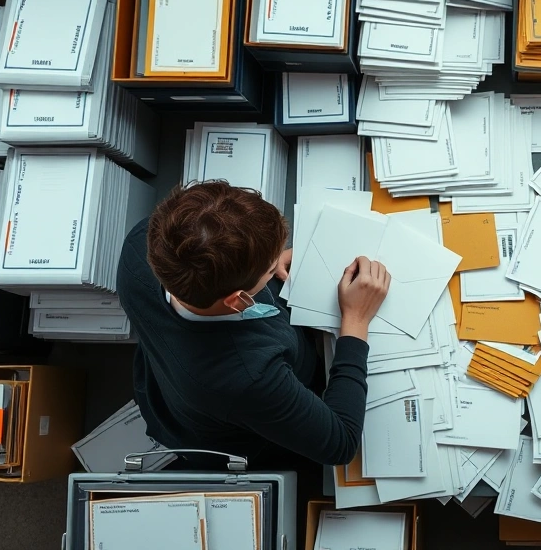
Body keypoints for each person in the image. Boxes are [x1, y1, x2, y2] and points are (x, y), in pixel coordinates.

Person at [116, 180, 390, 468]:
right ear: (238, 300)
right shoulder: (248, 376)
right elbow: (341, 445)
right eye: (270, 268)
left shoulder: (144, 241)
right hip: (238, 423)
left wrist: (268, 260)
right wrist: (356, 319)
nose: (277, 264)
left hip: (170, 386)